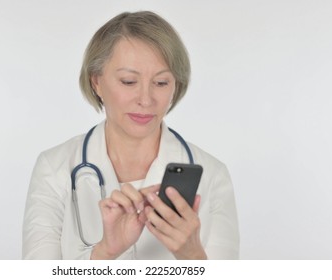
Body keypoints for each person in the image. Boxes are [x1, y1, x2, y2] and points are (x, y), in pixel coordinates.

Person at [22, 11, 239, 260]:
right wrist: (105, 253)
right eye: (128, 81)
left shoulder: (212, 175)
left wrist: (191, 255)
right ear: (96, 82)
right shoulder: (55, 168)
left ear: (176, 86)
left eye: (160, 83)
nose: (146, 100)